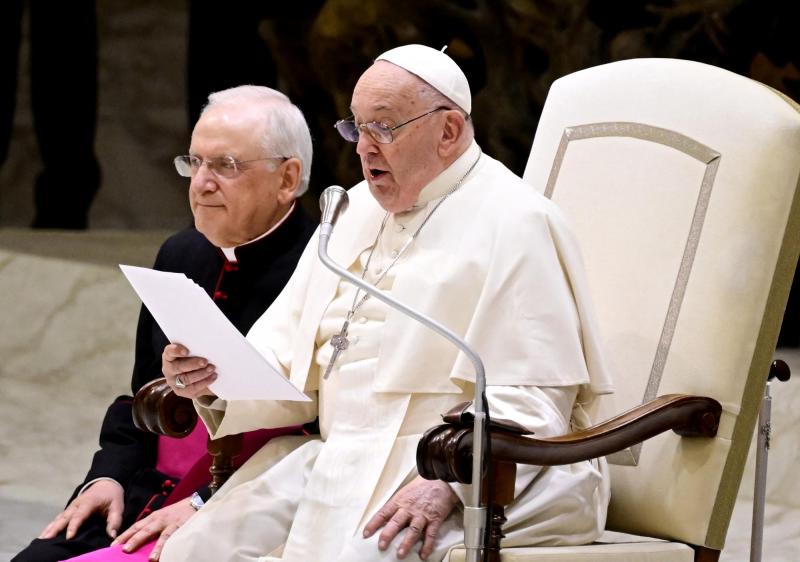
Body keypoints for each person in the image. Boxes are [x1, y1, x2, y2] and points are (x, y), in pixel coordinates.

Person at [160, 44, 614, 562]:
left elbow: (535, 398)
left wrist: (448, 484)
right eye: (356, 128)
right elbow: (282, 359)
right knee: (197, 548)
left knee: (365, 555)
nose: (364, 148)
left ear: (448, 132)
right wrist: (214, 376)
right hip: (339, 456)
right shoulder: (350, 213)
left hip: (468, 469)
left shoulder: (518, 221)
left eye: (385, 127)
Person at [12, 85, 316, 562]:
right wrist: (107, 475)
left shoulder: (326, 267)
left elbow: (318, 433)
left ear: (287, 177)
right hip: (144, 491)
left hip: (246, 505)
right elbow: (142, 395)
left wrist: (206, 503)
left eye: (226, 166)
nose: (201, 183)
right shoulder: (181, 253)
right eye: (194, 162)